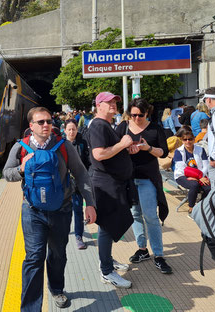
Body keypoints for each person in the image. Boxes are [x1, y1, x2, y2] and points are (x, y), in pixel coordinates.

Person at [2, 106, 97, 310]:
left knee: (57, 254)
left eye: (49, 121)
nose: (46, 125)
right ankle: (30, 308)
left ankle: (56, 289)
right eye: (41, 122)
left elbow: (81, 174)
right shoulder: (20, 147)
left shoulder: (63, 146)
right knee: (34, 258)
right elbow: (6, 174)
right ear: (31, 126)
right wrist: (21, 168)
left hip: (61, 210)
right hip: (32, 211)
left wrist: (90, 203)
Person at [115, 98, 172, 274]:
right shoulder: (123, 127)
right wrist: (124, 149)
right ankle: (142, 249)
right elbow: (114, 149)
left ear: (147, 113)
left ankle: (159, 254)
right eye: (133, 115)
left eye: (140, 115)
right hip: (129, 179)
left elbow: (163, 153)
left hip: (148, 178)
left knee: (150, 217)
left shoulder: (155, 128)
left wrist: (147, 148)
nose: (136, 118)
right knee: (135, 215)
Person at [87, 92, 134, 289]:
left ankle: (106, 260)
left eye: (115, 101)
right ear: (99, 105)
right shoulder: (98, 125)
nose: (114, 104)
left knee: (108, 226)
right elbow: (99, 154)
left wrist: (125, 149)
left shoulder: (106, 125)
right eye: (109, 102)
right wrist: (122, 144)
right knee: (107, 227)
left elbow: (109, 151)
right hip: (106, 185)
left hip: (111, 184)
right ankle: (106, 271)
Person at [63, 119, 91, 250]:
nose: (71, 132)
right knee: (64, 209)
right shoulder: (60, 145)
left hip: (78, 181)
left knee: (78, 209)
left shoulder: (82, 143)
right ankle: (63, 231)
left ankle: (78, 236)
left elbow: (87, 161)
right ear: (65, 131)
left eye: (74, 129)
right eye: (69, 129)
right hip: (64, 183)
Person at [172, 127, 211, 214]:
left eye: (190, 139)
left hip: (200, 175)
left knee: (208, 187)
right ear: (182, 140)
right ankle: (191, 208)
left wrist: (200, 177)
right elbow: (182, 169)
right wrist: (198, 178)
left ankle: (201, 206)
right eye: (185, 139)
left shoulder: (200, 150)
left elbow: (206, 166)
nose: (187, 141)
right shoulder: (179, 151)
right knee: (194, 185)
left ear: (194, 139)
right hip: (182, 176)